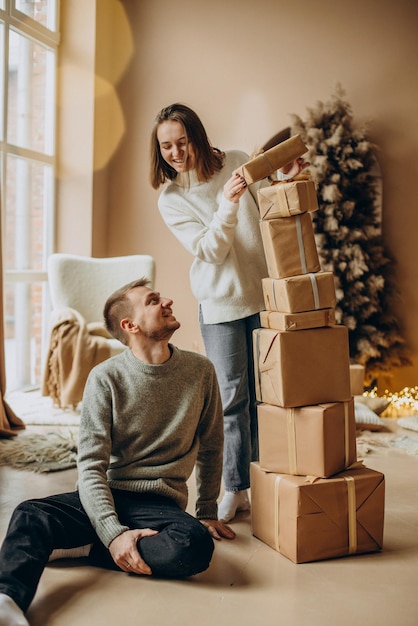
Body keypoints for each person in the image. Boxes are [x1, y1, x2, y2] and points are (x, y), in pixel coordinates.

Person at [0, 277, 235, 626]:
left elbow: (213, 444)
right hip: (108, 495)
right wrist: (113, 531)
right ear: (130, 325)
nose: (167, 301)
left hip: (160, 504)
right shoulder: (105, 378)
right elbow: (91, 467)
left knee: (194, 546)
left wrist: (206, 510)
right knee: (31, 514)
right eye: (154, 300)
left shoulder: (200, 372)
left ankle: (87, 547)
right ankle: (7, 599)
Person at [150, 103, 308, 523]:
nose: (176, 152)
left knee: (265, 396)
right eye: (167, 146)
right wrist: (227, 203)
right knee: (232, 402)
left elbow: (271, 207)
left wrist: (286, 178)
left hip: (264, 296)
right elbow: (210, 250)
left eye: (182, 142)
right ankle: (234, 488)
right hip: (220, 305)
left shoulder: (237, 162)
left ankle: (261, 481)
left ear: (197, 137)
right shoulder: (171, 199)